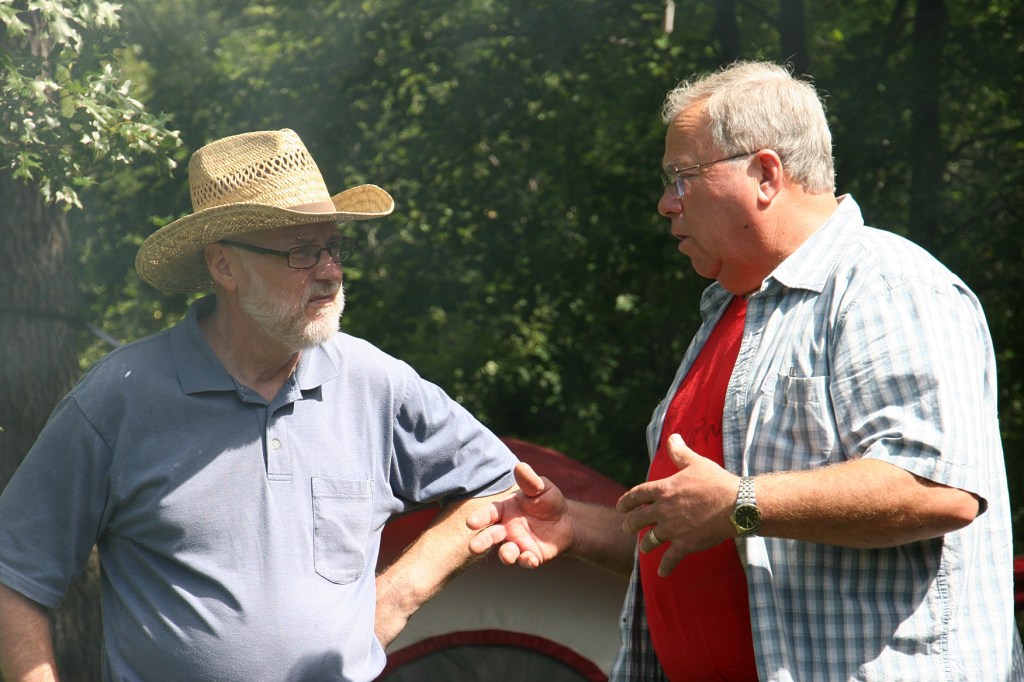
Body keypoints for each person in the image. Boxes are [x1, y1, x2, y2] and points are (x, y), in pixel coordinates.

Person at [468, 61, 1024, 680]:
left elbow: (937, 489)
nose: (666, 204)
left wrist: (742, 501)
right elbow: (700, 528)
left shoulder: (888, 285)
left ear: (765, 174)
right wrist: (574, 524)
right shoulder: (731, 310)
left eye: (682, 178)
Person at [0, 129, 519, 681]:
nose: (330, 271)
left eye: (333, 248)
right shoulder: (120, 398)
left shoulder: (373, 382)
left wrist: (397, 595)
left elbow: (500, 483)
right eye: (302, 252)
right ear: (224, 266)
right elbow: (13, 574)